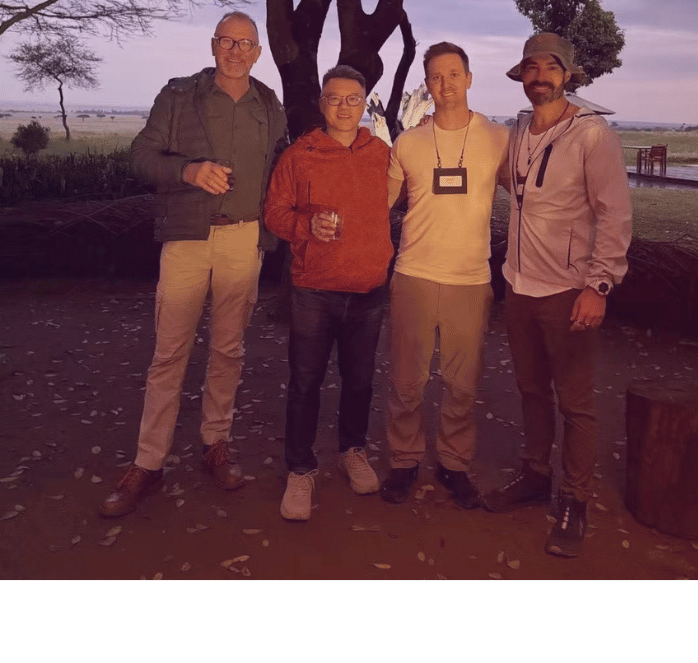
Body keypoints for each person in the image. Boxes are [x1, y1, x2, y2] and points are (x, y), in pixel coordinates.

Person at [99, 12, 287, 518]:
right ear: (212, 45)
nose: (234, 51)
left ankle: (215, 444)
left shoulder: (268, 105)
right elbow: (140, 156)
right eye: (226, 41)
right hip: (187, 238)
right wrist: (187, 170)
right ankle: (149, 460)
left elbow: (280, 171)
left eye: (245, 43)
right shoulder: (179, 96)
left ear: (257, 52)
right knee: (169, 353)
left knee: (228, 350)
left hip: (243, 240)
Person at [484, 33, 633, 557]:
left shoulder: (592, 136)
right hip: (519, 284)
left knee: (576, 403)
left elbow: (614, 213)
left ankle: (575, 499)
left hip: (569, 291)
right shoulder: (517, 130)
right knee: (530, 391)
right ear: (521, 76)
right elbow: (509, 184)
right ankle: (534, 474)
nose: (539, 76)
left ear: (567, 75)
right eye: (530, 67)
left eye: (550, 68)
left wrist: (598, 284)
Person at [378, 43, 512, 508]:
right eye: (436, 76)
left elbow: (532, 193)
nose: (446, 84)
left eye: (454, 74)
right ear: (427, 84)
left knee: (462, 383)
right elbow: (379, 204)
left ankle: (454, 463)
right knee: (406, 381)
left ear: (469, 78)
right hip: (413, 273)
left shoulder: (499, 139)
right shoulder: (409, 143)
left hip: (471, 280)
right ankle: (404, 461)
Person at [262, 65, 394, 521]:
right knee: (305, 383)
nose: (343, 107)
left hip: (368, 290)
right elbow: (274, 213)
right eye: (334, 98)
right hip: (314, 289)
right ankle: (300, 469)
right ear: (321, 104)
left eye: (353, 99)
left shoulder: (381, 154)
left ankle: (352, 450)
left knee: (359, 381)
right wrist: (305, 225)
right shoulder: (300, 155)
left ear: (364, 104)